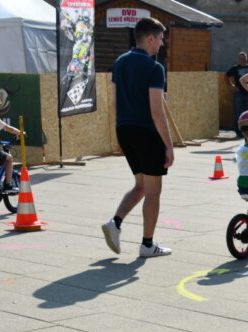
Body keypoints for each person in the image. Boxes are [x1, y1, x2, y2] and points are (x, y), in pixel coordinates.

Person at [101, 17, 175, 259]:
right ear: (150, 38)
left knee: (142, 185)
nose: (162, 45)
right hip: (146, 131)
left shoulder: (120, 62)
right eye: (161, 39)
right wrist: (169, 145)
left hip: (125, 129)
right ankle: (147, 244)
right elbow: (157, 110)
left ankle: (115, 223)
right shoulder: (155, 68)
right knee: (154, 190)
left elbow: (113, 103)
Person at [225, 51, 248, 137]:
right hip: (239, 93)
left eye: (244, 58)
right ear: (239, 59)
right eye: (241, 58)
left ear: (246, 59)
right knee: (238, 113)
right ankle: (238, 131)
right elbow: (226, 76)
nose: (243, 60)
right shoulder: (235, 68)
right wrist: (231, 86)